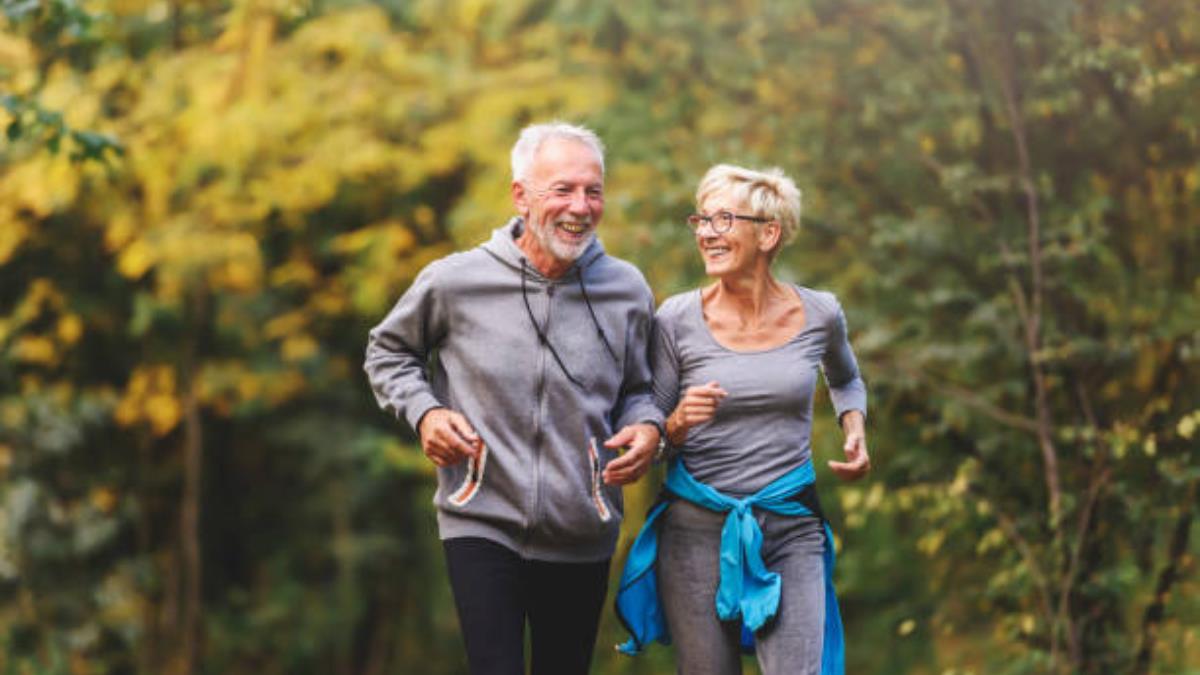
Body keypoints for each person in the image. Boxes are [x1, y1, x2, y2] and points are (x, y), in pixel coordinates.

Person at [364, 122, 664, 675]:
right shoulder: (455, 282)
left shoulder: (627, 290)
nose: (581, 206)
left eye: (592, 190)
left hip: (583, 526)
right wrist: (425, 411)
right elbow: (388, 352)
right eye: (563, 189)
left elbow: (641, 389)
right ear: (521, 196)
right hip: (481, 517)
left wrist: (649, 428)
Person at [615, 164, 870, 675]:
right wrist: (679, 422)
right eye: (701, 220)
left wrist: (855, 428)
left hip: (790, 525)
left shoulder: (820, 314)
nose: (706, 232)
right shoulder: (676, 319)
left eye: (724, 219)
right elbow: (654, 432)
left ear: (768, 233)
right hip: (694, 532)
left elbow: (845, 379)